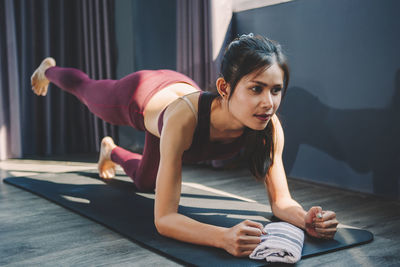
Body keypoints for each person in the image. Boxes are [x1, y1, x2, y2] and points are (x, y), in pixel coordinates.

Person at [31, 34, 338, 257]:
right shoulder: (183, 120)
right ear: (224, 88)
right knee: (87, 91)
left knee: (144, 183)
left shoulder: (269, 127)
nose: (268, 103)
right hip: (141, 98)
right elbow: (164, 219)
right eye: (256, 89)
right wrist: (223, 237)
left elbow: (281, 202)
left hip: (174, 117)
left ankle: (110, 150)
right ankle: (48, 71)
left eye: (276, 90)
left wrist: (307, 219)